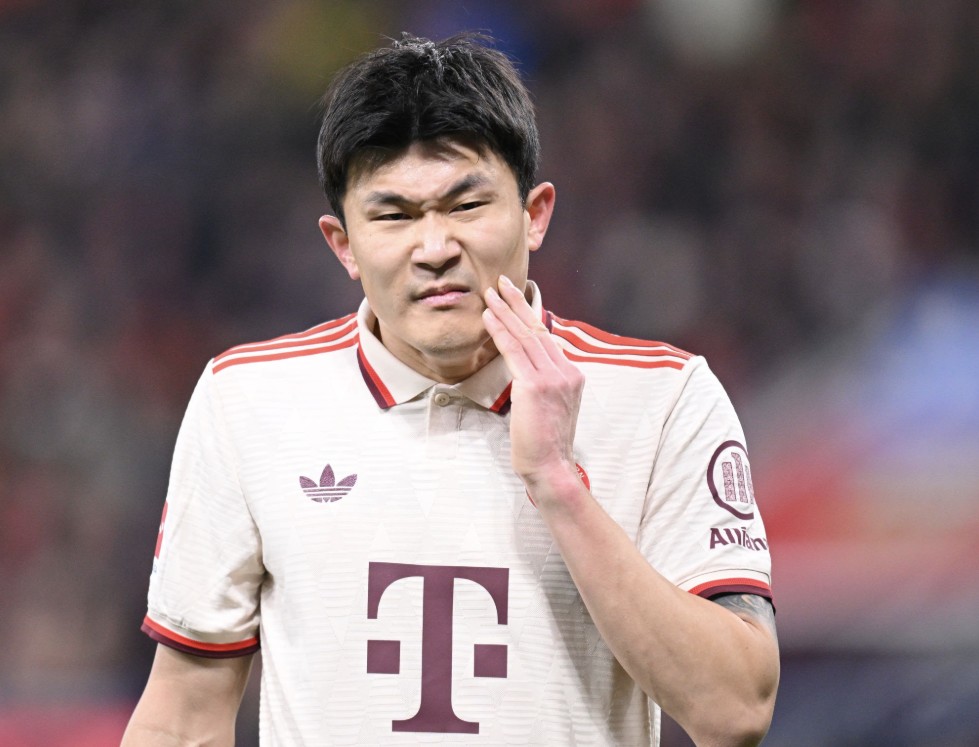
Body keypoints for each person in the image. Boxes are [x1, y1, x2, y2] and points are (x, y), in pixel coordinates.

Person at [123, 32, 778, 746]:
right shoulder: (247, 400)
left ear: (534, 214)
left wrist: (559, 484)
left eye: (466, 206)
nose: (434, 249)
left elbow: (734, 712)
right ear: (343, 245)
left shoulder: (663, 399)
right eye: (393, 216)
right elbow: (182, 718)